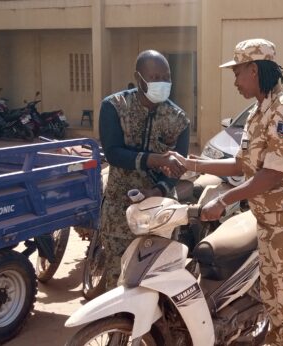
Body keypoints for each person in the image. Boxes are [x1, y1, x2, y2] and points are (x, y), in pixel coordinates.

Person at [170, 38, 283, 346]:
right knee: (274, 305)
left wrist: (225, 199)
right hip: (271, 225)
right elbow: (244, 164)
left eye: (237, 72)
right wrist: (192, 163)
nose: (235, 81)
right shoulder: (258, 113)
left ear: (254, 70)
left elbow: (270, 174)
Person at [98, 50, 189, 291]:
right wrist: (155, 160)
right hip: (120, 212)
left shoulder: (178, 119)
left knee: (158, 284)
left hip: (162, 212)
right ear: (139, 78)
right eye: (155, 76)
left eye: (166, 76)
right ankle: (117, 328)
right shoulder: (114, 107)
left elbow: (179, 165)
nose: (162, 81)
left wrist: (158, 188)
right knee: (119, 284)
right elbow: (113, 153)